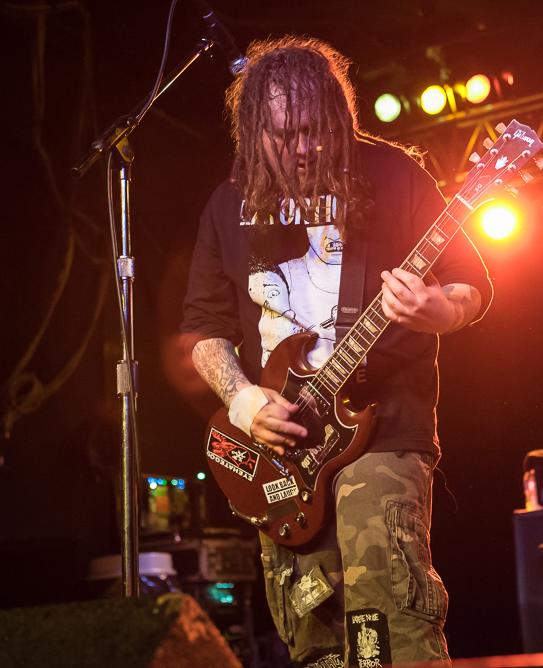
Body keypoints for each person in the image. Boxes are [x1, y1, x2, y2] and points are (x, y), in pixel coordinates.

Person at [182, 35, 492, 667]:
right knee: (314, 637)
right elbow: (204, 331)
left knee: (387, 624)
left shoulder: (393, 174)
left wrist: (438, 309)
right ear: (252, 131)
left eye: (319, 130)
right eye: (285, 133)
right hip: (284, 452)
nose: (304, 147)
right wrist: (243, 401)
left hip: (382, 431)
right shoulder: (226, 205)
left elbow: (471, 285)